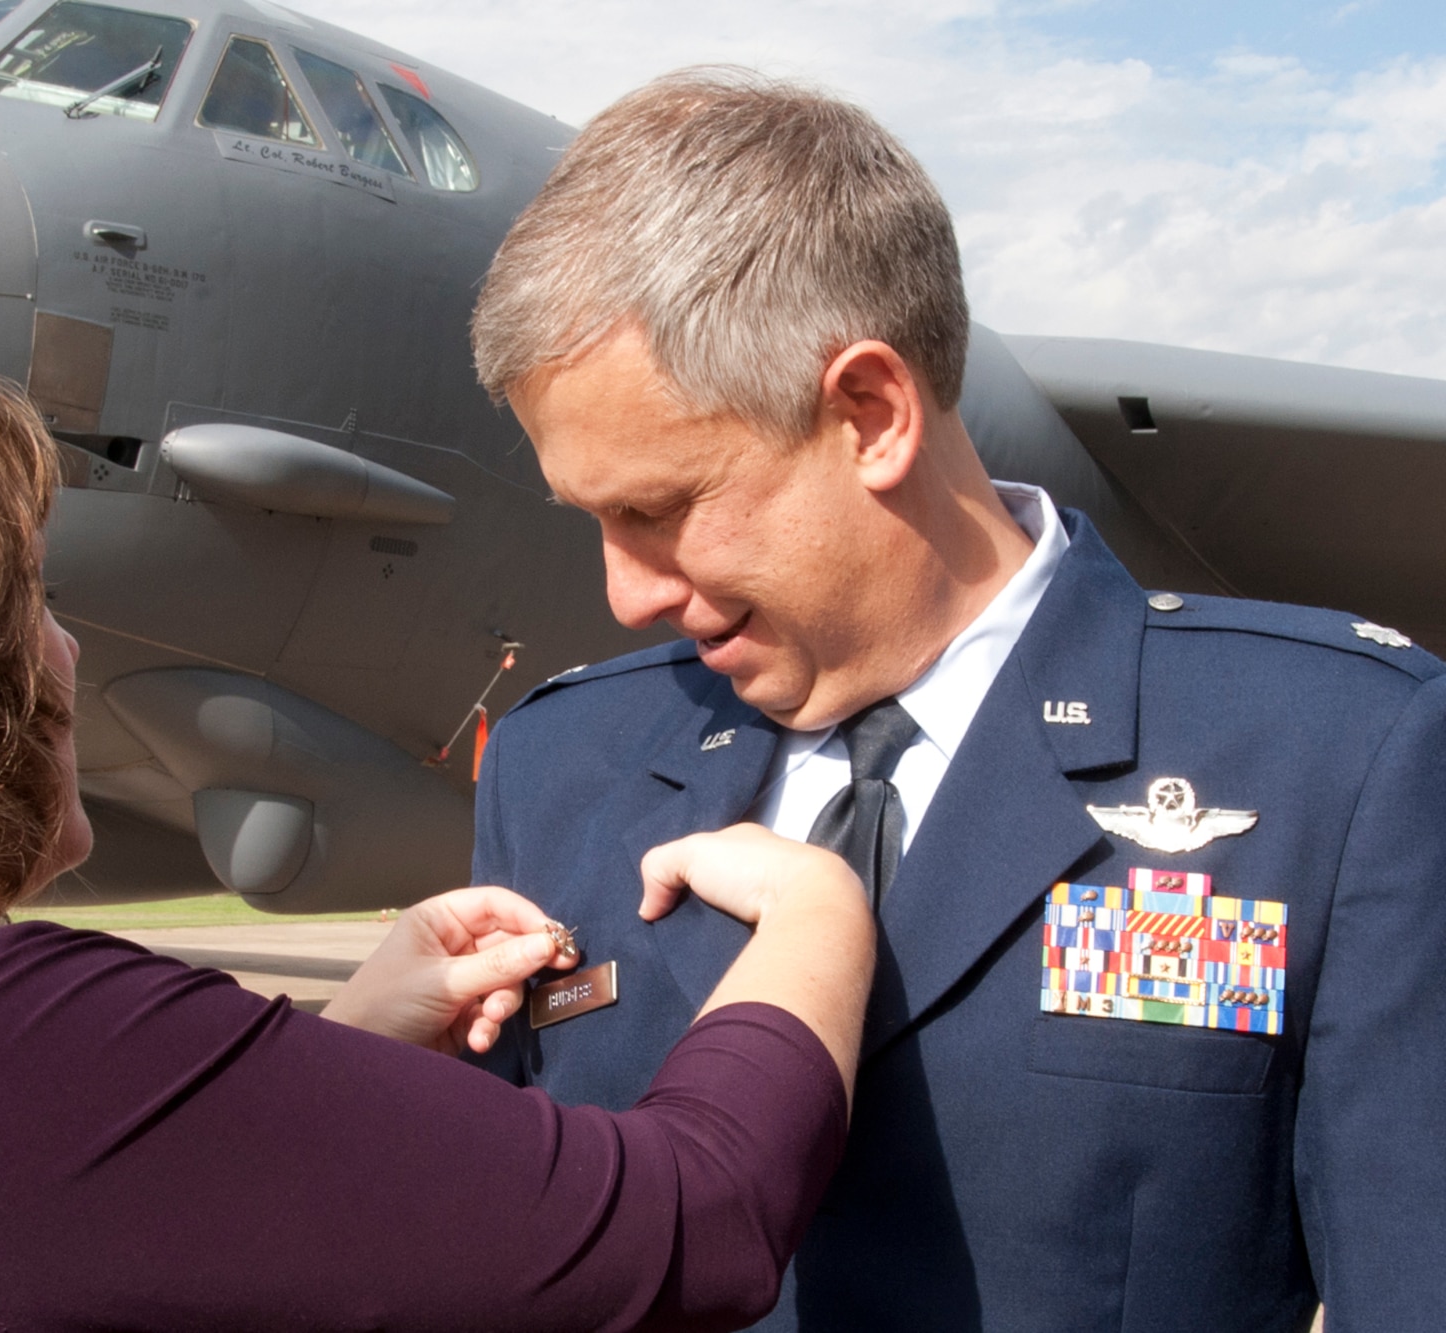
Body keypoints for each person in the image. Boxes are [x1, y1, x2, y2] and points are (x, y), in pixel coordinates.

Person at [0, 269, 878, 1331]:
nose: (64, 649)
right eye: (30, 598)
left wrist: (340, 1054)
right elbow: (692, 1223)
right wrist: (814, 920)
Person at [466, 69, 1446, 1332]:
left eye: (655, 511)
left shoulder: (1337, 757)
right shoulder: (566, 763)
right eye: (593, 520)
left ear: (869, 414)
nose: (624, 594)